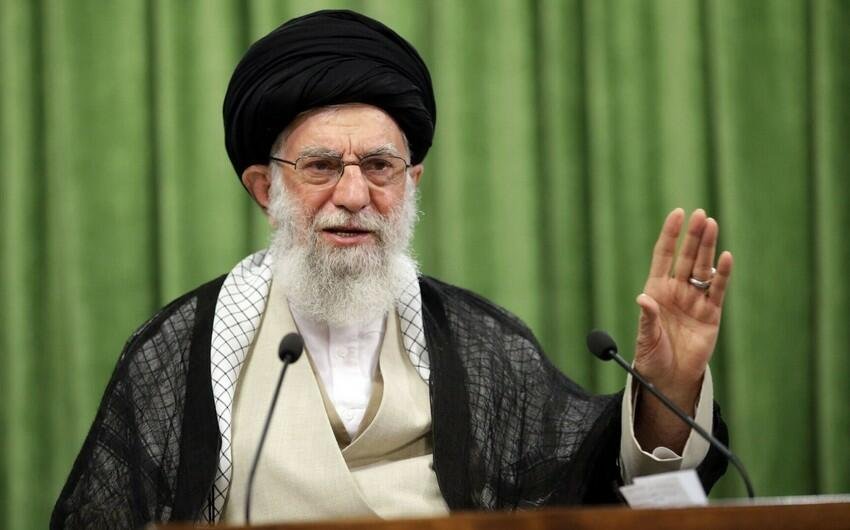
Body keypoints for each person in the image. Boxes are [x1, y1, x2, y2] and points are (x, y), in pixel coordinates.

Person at [51, 9, 732, 528]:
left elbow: (596, 487)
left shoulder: (481, 342)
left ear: (410, 183)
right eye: (321, 166)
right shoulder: (182, 350)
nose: (354, 195)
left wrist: (666, 389)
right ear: (265, 189)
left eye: (379, 166)